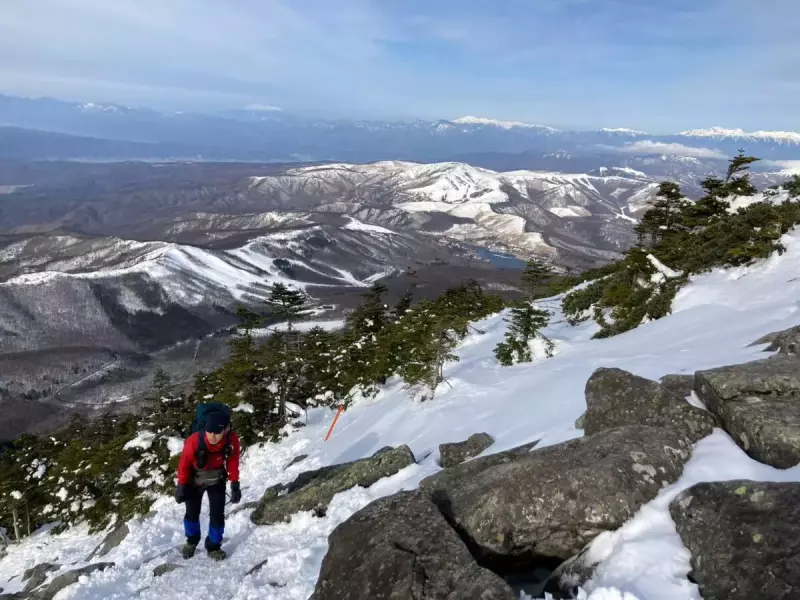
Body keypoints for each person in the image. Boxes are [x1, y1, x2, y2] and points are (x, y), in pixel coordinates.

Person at [175, 410, 242, 560]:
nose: (212, 436)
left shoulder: (231, 441)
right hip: (194, 480)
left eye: (217, 432)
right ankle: (191, 541)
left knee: (217, 515)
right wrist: (181, 486)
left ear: (226, 429)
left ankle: (213, 545)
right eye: (209, 430)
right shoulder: (194, 441)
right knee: (192, 513)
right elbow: (184, 465)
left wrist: (235, 483)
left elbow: (232, 461)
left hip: (216, 479)